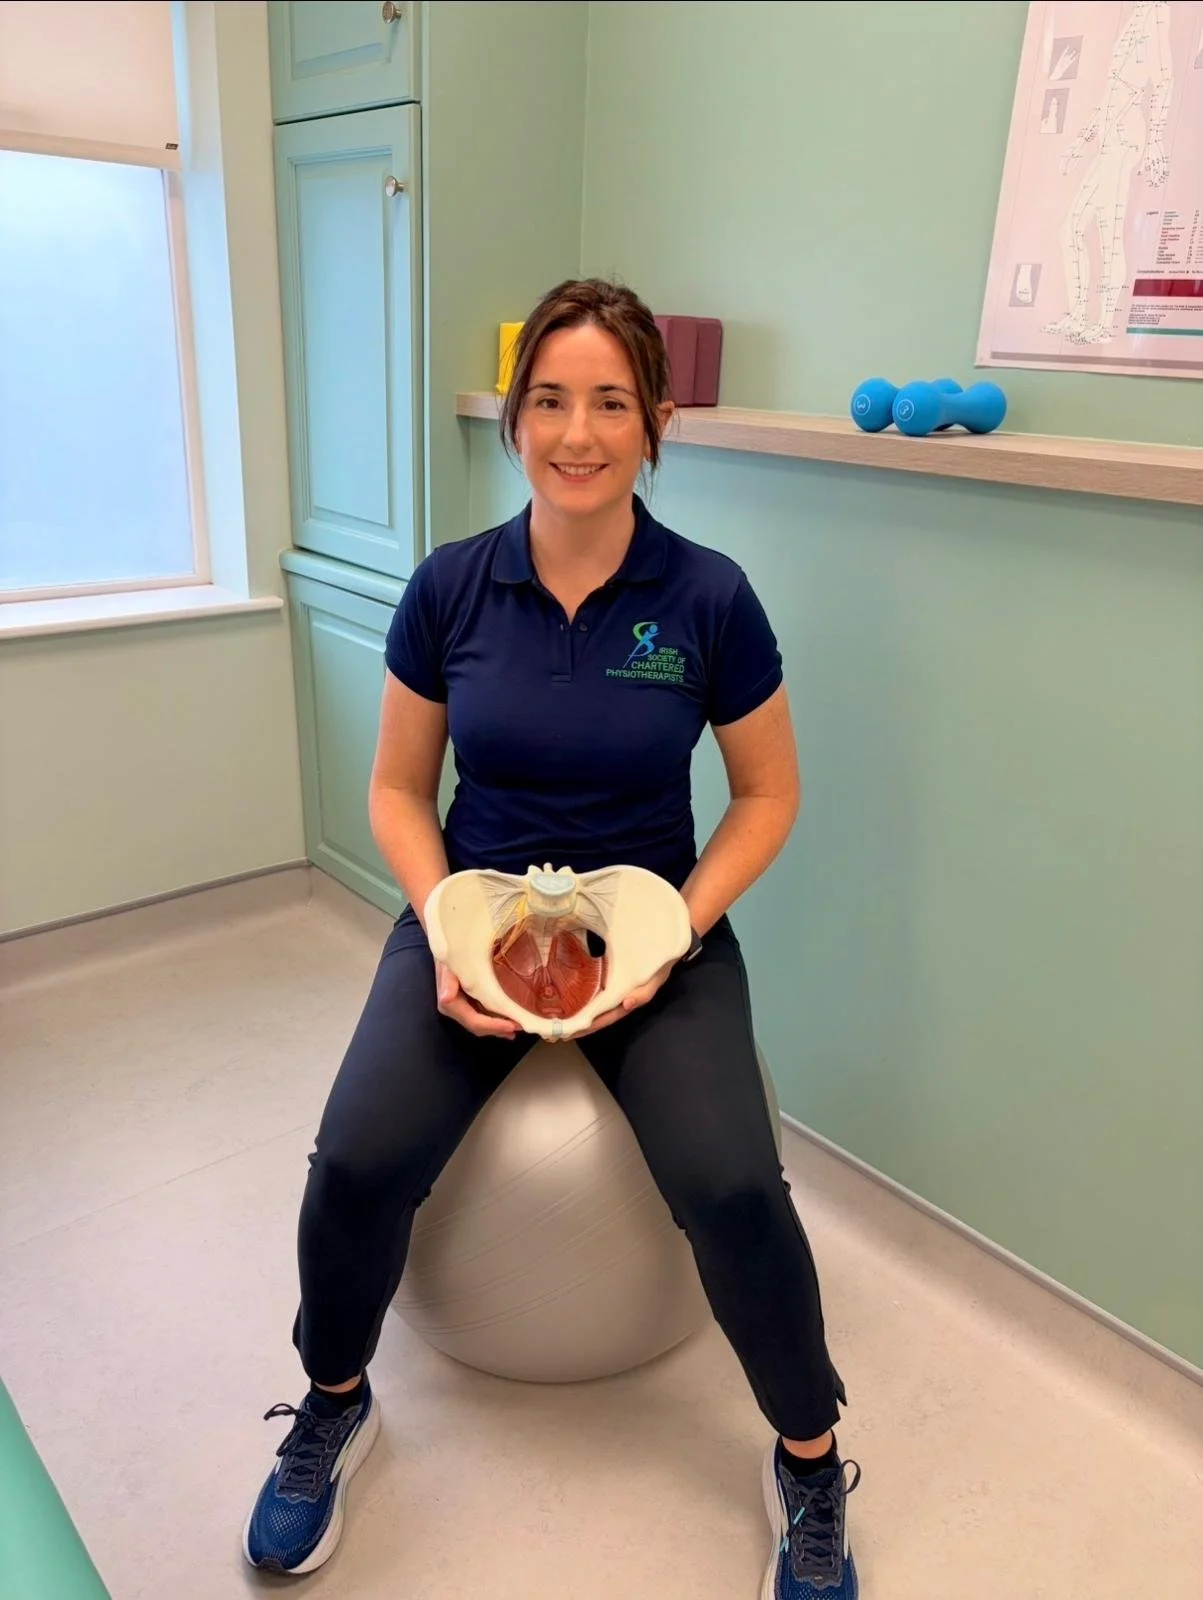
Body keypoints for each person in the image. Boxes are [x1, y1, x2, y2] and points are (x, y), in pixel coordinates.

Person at [242, 278, 861, 1598]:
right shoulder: (451, 588)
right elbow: (400, 793)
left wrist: (672, 935)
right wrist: (447, 935)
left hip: (654, 927)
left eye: (610, 402)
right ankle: (333, 1402)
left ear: (655, 422)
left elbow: (767, 796)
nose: (575, 432)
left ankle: (807, 1461)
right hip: (474, 909)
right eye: (548, 401)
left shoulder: (706, 597)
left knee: (738, 1188)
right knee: (353, 1160)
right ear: (514, 419)